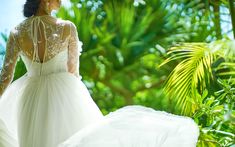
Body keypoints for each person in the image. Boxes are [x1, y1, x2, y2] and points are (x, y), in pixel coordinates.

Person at [0, 0, 199, 147]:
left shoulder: (17, 33)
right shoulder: (67, 28)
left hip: (30, 99)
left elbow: (6, 76)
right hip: (65, 94)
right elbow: (72, 70)